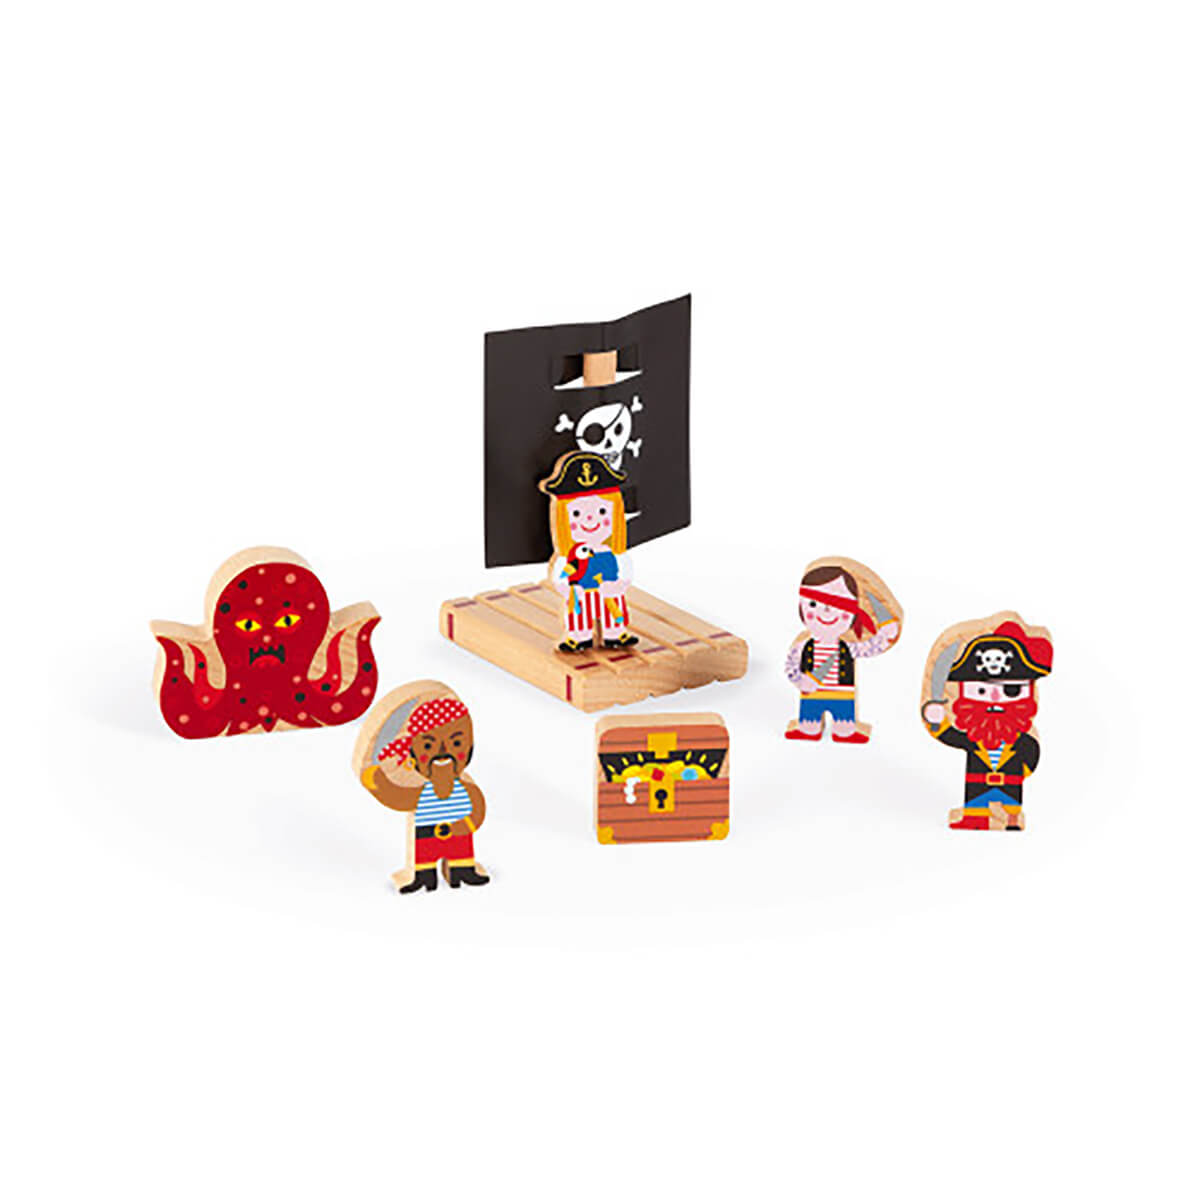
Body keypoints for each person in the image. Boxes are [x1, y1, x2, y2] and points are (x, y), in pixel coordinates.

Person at [921, 620, 1053, 830]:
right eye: (981, 691)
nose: (994, 698)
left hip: (1009, 787)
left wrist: (1024, 768)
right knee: (976, 808)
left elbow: (1030, 752)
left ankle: (1010, 820)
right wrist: (937, 721)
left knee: (1011, 808)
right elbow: (949, 735)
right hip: (978, 787)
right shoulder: (973, 737)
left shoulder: (1019, 739)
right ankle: (975, 818)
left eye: (1009, 690)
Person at [361, 692, 491, 891]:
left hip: (459, 832)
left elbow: (478, 807)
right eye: (429, 746)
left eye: (456, 744)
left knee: (460, 856)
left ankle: (464, 871)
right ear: (413, 756)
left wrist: (466, 824)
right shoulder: (423, 791)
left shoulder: (465, 787)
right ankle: (422, 877)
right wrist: (380, 785)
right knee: (425, 859)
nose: (442, 752)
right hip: (427, 834)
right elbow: (402, 799)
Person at [784, 563, 900, 742]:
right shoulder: (803, 646)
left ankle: (844, 732)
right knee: (809, 724)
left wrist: (885, 634)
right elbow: (791, 665)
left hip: (842, 696)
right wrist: (800, 680)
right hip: (811, 695)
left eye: (838, 606)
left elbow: (870, 647)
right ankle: (809, 730)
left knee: (844, 727)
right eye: (813, 604)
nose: (826, 612)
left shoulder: (848, 647)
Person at [539, 451, 639, 652]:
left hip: (610, 592)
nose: (590, 519)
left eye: (602, 511)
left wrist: (618, 585)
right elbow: (560, 576)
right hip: (581, 593)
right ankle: (579, 637)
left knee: (613, 610)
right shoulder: (569, 557)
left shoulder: (615, 552)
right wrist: (569, 588)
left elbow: (625, 571)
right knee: (579, 615)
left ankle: (615, 633)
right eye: (576, 514)